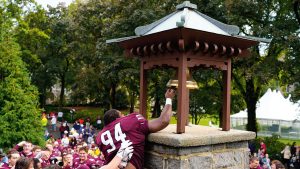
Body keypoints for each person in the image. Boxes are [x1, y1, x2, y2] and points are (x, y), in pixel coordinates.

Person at [96, 89, 176, 169]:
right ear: (118, 119)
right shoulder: (131, 121)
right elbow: (163, 121)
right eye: (122, 114)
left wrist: (119, 156)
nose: (125, 115)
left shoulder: (99, 137)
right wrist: (169, 99)